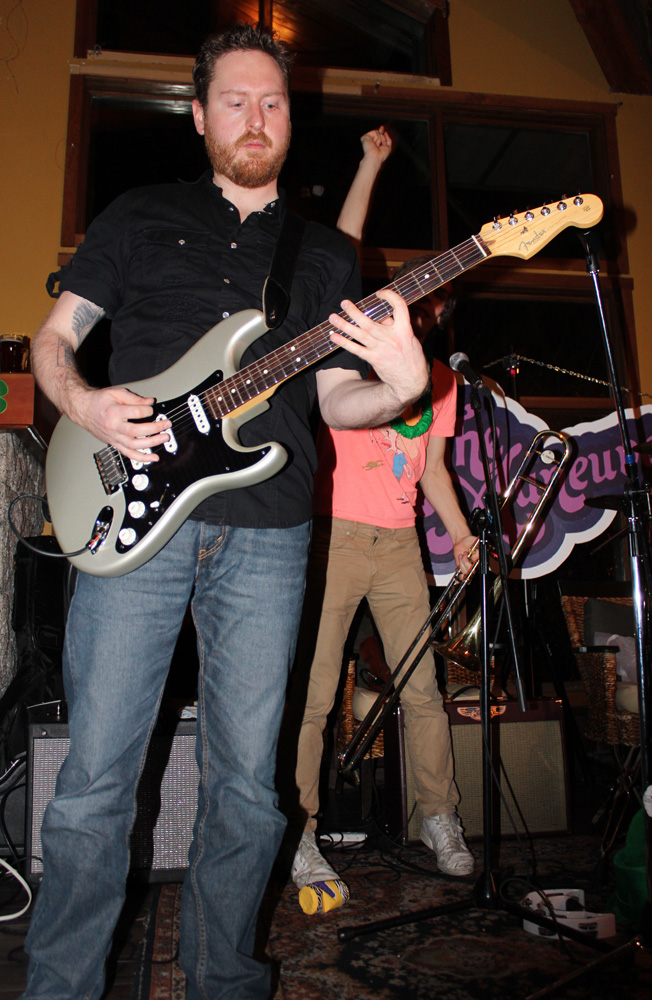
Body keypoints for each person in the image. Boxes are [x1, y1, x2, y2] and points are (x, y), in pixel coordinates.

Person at [21, 23, 430, 1000]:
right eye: (236, 101)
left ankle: (223, 979)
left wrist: (402, 385)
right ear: (200, 116)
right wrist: (84, 404)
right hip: (127, 509)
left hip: (272, 528)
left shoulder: (324, 254)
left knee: (248, 786)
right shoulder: (138, 213)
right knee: (94, 782)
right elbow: (53, 341)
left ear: (292, 118)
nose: (256, 117)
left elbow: (334, 400)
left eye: (273, 102)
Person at [288, 254, 478, 908]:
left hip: (399, 543)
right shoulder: (348, 351)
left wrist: (460, 534)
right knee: (314, 697)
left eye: (438, 303)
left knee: (423, 690)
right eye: (420, 294)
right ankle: (300, 830)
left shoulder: (441, 378)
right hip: (333, 535)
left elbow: (433, 470)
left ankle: (439, 817)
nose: (427, 309)